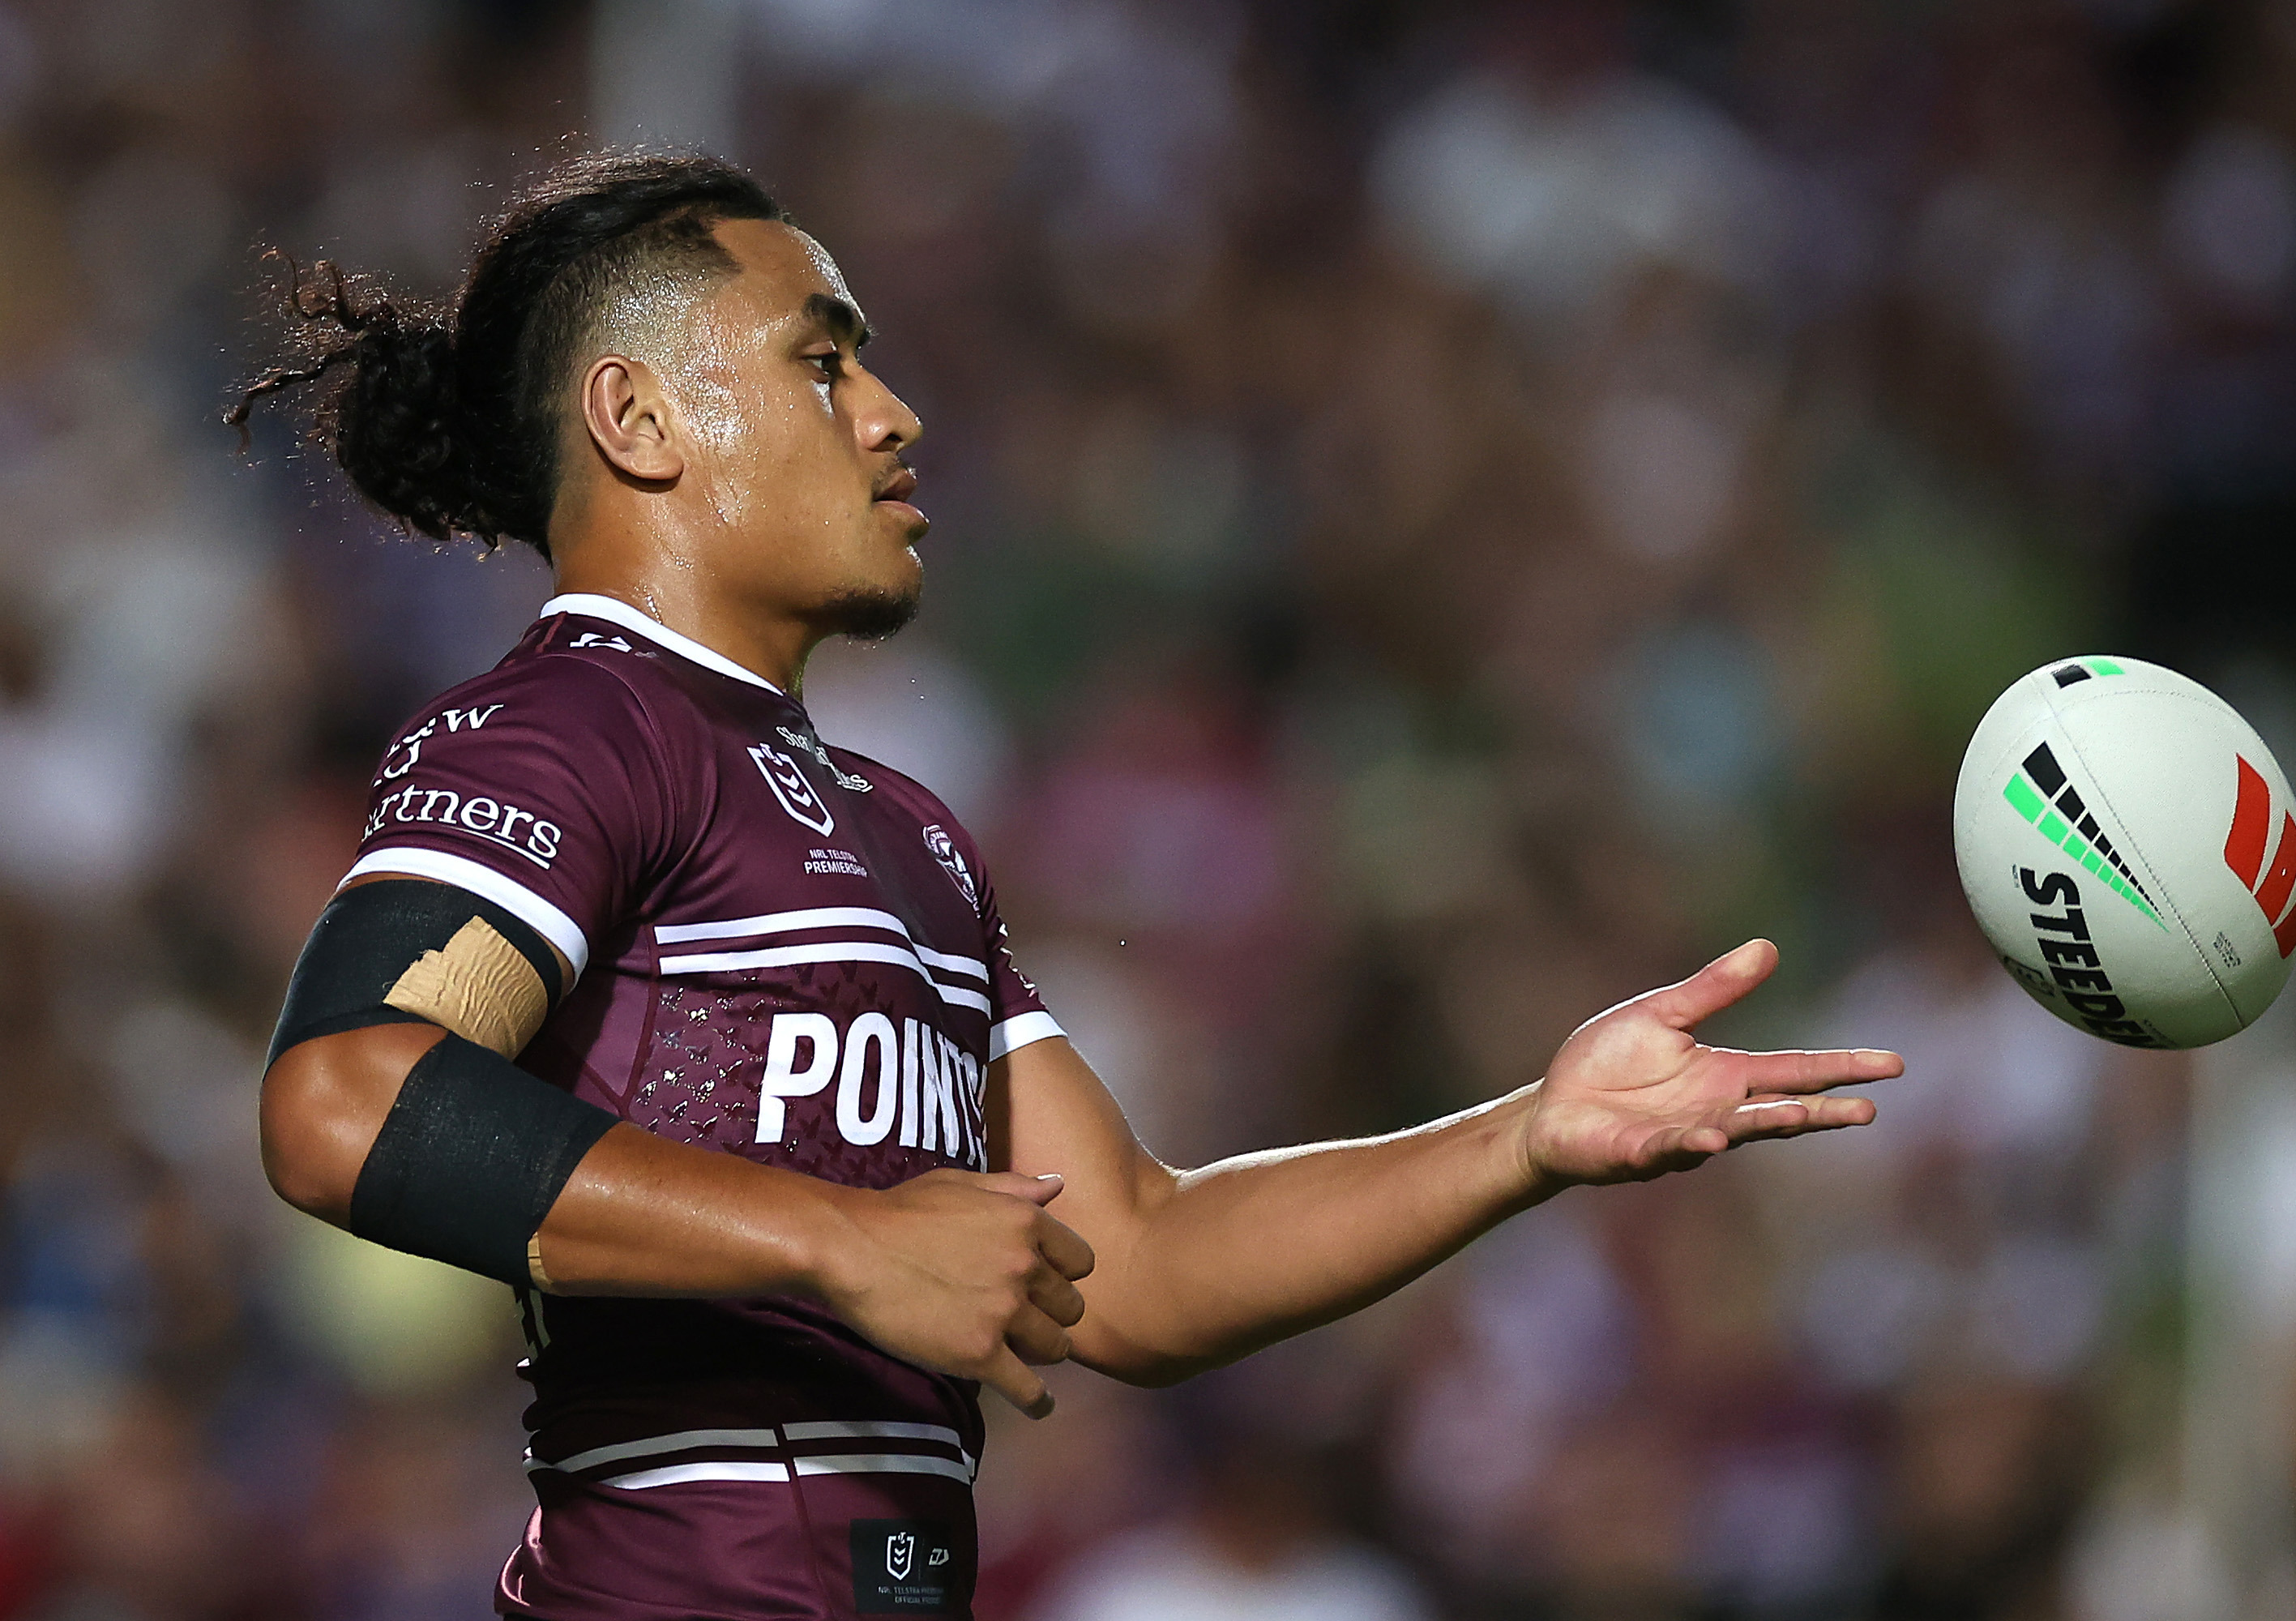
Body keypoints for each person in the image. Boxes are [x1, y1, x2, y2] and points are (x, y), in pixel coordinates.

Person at [233, 151, 1902, 1621]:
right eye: (822, 359)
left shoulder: (905, 830)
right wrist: (837, 1242)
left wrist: (1527, 1134)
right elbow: (348, 1097)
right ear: (640, 418)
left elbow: (1142, 1257)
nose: (892, 413)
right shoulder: (571, 725)